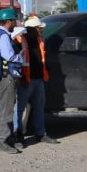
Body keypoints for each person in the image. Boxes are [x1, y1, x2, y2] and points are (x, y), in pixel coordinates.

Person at [16, 15, 60, 146]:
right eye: (39, 28)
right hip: (25, 80)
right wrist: (19, 77)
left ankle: (40, 134)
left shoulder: (40, 40)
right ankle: (17, 136)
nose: (42, 30)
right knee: (19, 109)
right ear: (32, 29)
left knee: (39, 108)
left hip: (38, 79)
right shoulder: (19, 40)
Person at [0, 8, 24, 154]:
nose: (15, 23)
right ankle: (1, 140)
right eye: (14, 20)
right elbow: (8, 56)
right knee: (6, 110)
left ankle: (7, 138)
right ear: (8, 21)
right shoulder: (4, 36)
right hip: (6, 77)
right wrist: (21, 57)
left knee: (4, 108)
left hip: (0, 76)